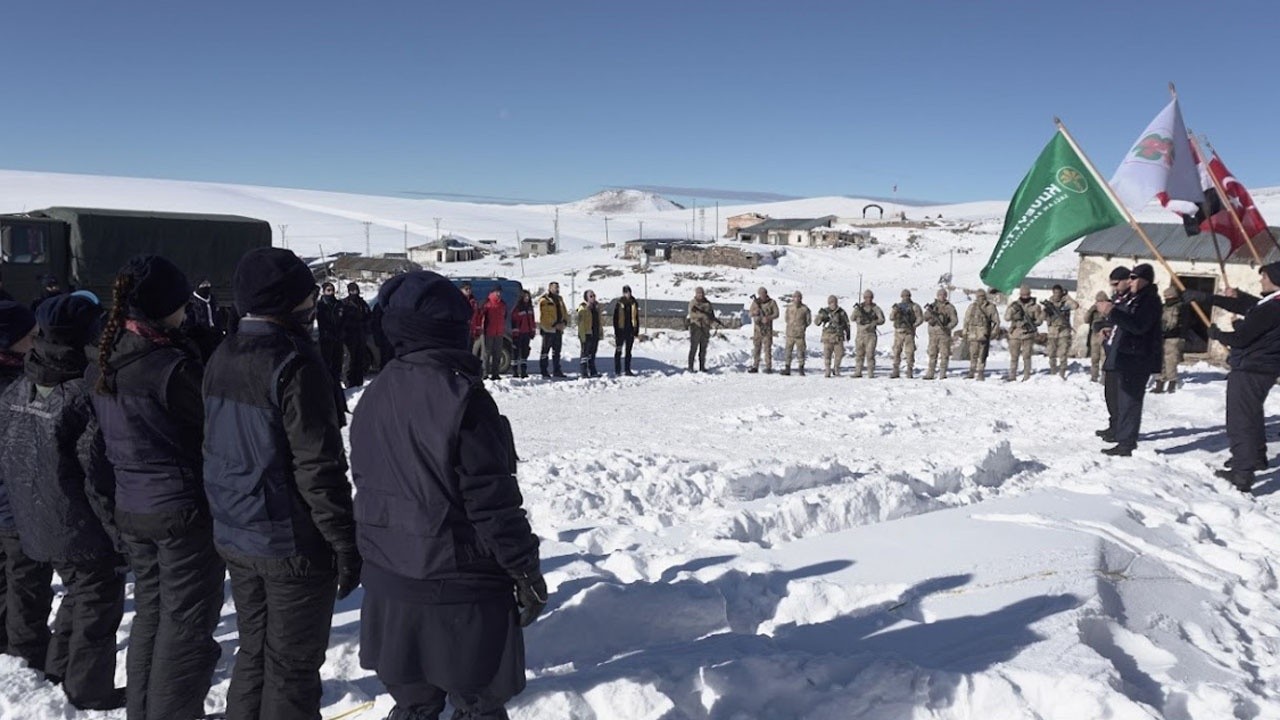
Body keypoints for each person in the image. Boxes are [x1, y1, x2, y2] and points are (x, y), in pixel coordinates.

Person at [350, 271, 543, 720]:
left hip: (388, 582)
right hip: (456, 586)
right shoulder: (462, 397)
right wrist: (525, 568)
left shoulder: (374, 393)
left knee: (414, 705)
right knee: (477, 704)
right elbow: (491, 501)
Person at [203, 248, 360, 720]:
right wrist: (343, 541)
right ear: (294, 302)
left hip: (237, 531)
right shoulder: (293, 364)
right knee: (291, 669)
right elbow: (319, 467)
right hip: (287, 541)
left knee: (255, 652)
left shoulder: (223, 352)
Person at [89, 255, 224, 720]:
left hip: (132, 505)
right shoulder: (167, 367)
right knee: (185, 625)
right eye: (182, 304)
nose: (188, 312)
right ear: (165, 307)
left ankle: (144, 710)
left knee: (152, 614)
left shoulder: (108, 357)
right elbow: (212, 427)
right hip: (179, 508)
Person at [0, 294, 124, 710]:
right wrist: (115, 530)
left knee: (79, 593)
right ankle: (89, 689)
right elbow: (95, 475)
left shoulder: (23, 384)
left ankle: (59, 670)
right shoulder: (79, 390)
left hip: (37, 515)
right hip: (73, 520)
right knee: (98, 600)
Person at [1183, 265, 1280, 492]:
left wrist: (1218, 334)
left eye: (1264, 277)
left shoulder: (1272, 308)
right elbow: (1248, 305)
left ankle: (1242, 472)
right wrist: (1208, 298)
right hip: (1262, 368)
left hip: (1251, 368)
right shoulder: (1272, 304)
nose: (1261, 281)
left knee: (1240, 420)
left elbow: (1241, 338)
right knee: (1252, 413)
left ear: (1275, 279)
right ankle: (1255, 457)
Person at [0, 302, 53, 676]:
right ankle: (27, 654)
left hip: (9, 501)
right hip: (16, 503)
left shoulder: (19, 376)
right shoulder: (15, 386)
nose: (37, 341)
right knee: (27, 583)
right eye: (31, 336)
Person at [1095, 263, 1161, 457]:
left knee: (1129, 402)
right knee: (1120, 399)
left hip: (1138, 358)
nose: (1130, 282)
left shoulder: (1149, 301)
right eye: (1129, 278)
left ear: (1144, 280)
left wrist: (1112, 312)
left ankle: (1126, 443)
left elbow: (1138, 326)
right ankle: (1121, 434)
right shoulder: (1135, 299)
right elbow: (1125, 323)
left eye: (1133, 278)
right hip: (1125, 356)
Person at [1096, 267, 1131, 443]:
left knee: (1121, 398)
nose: (1115, 288)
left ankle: (1121, 431)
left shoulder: (1133, 301)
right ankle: (1113, 426)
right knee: (1111, 396)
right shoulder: (1117, 299)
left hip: (1125, 357)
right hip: (1112, 354)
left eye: (1117, 284)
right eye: (1112, 285)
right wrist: (1106, 330)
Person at [1004, 285, 1044, 382]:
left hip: (1028, 334)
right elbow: (1006, 317)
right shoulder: (1014, 305)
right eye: (1023, 295)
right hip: (1015, 333)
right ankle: (1012, 375)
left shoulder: (1035, 306)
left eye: (1027, 295)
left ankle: (1027, 375)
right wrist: (1013, 312)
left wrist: (1032, 323)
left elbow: (1039, 320)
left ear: (1030, 294)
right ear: (1020, 294)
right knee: (1014, 356)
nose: (1025, 297)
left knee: (1027, 356)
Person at [1041, 285, 1080, 379]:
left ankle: (1062, 372)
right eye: (1055, 293)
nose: (1056, 295)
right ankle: (1053, 370)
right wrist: (1046, 311)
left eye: (1058, 293)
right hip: (1052, 332)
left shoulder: (1066, 302)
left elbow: (1075, 306)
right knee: (1051, 353)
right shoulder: (1049, 303)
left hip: (1064, 331)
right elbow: (1041, 318)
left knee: (1063, 353)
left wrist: (1067, 297)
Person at [1153, 286, 1185, 394]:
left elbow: (1185, 323)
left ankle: (1172, 383)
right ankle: (1159, 383)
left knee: (1170, 360)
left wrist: (1181, 336)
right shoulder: (1163, 307)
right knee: (1159, 360)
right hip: (1160, 337)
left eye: (1168, 296)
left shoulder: (1181, 307)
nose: (1166, 298)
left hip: (1173, 338)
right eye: (1165, 296)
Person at [963, 289, 1000, 380]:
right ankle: (972, 370)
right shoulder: (972, 307)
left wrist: (994, 332)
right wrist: (965, 331)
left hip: (984, 334)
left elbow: (996, 321)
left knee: (982, 354)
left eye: (982, 296)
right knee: (973, 353)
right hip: (973, 334)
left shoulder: (990, 307)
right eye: (979, 297)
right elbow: (966, 320)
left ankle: (980, 372)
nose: (980, 298)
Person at [923, 288, 958, 380]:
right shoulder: (932, 306)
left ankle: (943, 373)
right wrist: (931, 316)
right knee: (932, 353)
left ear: (946, 296)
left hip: (944, 334)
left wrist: (948, 327)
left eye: (943, 295)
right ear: (937, 296)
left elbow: (954, 321)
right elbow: (925, 317)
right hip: (933, 334)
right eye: (940, 295)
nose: (942, 297)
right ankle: (930, 373)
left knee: (944, 354)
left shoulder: (950, 307)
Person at [342, 282, 372, 388]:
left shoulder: (362, 303)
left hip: (361, 336)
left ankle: (358, 382)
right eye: (352, 291)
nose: (354, 293)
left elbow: (369, 316)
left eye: (355, 291)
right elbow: (341, 320)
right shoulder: (345, 303)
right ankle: (348, 383)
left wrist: (366, 327)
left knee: (360, 359)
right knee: (349, 360)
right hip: (349, 337)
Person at [537, 282, 569, 378]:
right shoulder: (545, 300)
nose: (557, 289)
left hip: (558, 330)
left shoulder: (560, 299)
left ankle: (557, 370)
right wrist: (554, 325)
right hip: (548, 329)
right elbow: (544, 316)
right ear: (550, 288)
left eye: (558, 287)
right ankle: (544, 370)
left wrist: (564, 322)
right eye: (555, 287)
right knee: (545, 351)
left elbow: (564, 312)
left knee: (557, 352)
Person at [889, 290, 923, 379]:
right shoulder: (897, 306)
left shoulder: (915, 306)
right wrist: (895, 311)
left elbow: (920, 318)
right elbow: (891, 318)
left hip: (909, 333)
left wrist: (914, 325)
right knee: (896, 351)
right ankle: (895, 370)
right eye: (904, 296)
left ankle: (909, 370)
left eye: (907, 296)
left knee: (910, 352)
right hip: (898, 332)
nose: (905, 297)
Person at [316, 281, 346, 382]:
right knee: (327, 363)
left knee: (337, 363)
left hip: (338, 338)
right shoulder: (321, 306)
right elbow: (322, 322)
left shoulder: (339, 304)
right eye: (328, 290)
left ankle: (336, 383)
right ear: (324, 292)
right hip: (327, 339)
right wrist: (327, 334)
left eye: (332, 290)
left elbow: (343, 320)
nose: (331, 292)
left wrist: (341, 332)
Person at [815, 295, 850, 378]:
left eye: (834, 302)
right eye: (831, 302)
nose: (833, 304)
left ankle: (836, 368)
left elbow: (846, 324)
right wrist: (821, 316)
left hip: (838, 337)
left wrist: (848, 333)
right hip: (827, 337)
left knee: (840, 354)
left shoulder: (841, 312)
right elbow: (817, 323)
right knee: (827, 355)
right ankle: (827, 370)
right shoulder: (824, 312)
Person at [852, 290, 885, 378]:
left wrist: (874, 323)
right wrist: (857, 313)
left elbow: (882, 320)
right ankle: (858, 371)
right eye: (866, 297)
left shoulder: (876, 308)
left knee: (870, 354)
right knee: (859, 354)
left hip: (870, 335)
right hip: (860, 334)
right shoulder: (859, 308)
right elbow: (852, 318)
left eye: (870, 297)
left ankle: (871, 372)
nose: (868, 299)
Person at [747, 287, 779, 374]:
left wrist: (768, 318)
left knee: (767, 349)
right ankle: (755, 365)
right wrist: (754, 313)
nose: (761, 296)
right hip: (757, 330)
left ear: (766, 293)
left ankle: (768, 367)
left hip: (767, 330)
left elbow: (776, 314)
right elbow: (749, 313)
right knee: (756, 348)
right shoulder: (755, 302)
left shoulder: (772, 302)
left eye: (763, 294)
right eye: (760, 294)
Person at [1082, 291, 1111, 383]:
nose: (1100, 303)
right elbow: (1086, 320)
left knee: (1104, 357)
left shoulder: (1110, 309)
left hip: (1105, 335)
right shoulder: (1094, 310)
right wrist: (1091, 310)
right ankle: (1094, 375)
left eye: (1102, 301)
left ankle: (1104, 377)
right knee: (1094, 357)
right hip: (1095, 335)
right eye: (1098, 301)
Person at [781, 291, 811, 376]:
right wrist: (791, 325)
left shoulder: (805, 309)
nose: (796, 299)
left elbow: (808, 321)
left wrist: (802, 327)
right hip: (790, 334)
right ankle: (787, 368)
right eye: (795, 297)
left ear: (801, 298)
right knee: (788, 351)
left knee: (801, 352)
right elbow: (786, 318)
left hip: (800, 335)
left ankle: (801, 369)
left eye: (798, 297)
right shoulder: (789, 308)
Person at [480, 288, 508, 382]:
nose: (499, 294)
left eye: (500, 292)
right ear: (492, 292)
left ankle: (495, 374)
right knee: (486, 353)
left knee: (497, 354)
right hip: (488, 332)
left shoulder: (503, 304)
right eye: (497, 292)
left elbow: (505, 316)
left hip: (499, 332)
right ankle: (485, 373)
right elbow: (481, 316)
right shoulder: (487, 303)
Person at [612, 285, 640, 377]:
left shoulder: (634, 303)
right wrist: (616, 331)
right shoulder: (619, 303)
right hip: (621, 330)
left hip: (630, 330)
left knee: (628, 351)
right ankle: (617, 370)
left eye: (629, 292)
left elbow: (636, 317)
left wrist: (636, 330)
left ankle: (627, 369)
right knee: (618, 350)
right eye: (626, 292)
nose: (627, 294)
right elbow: (615, 318)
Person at [687, 287, 715, 373]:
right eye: (699, 293)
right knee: (693, 348)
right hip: (696, 328)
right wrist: (702, 316)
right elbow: (691, 314)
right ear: (696, 294)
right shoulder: (693, 303)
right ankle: (690, 367)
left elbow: (711, 315)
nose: (700, 295)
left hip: (705, 329)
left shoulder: (707, 304)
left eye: (702, 293)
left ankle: (702, 367)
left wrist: (711, 320)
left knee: (703, 349)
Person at [577, 290, 603, 379]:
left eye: (594, 295)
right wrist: (582, 335)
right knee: (585, 354)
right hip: (586, 333)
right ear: (586, 298)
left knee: (592, 354)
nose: (593, 297)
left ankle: (593, 371)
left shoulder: (596, 307)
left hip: (595, 332)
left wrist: (600, 332)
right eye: (591, 296)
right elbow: (580, 323)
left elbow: (599, 321)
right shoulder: (583, 308)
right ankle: (583, 372)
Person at [511, 290, 536, 379]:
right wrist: (515, 333)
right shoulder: (517, 308)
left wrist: (532, 331)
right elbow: (514, 321)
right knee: (516, 353)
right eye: (525, 296)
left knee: (524, 353)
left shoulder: (530, 308)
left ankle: (523, 371)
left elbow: (532, 321)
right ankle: (515, 371)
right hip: (519, 334)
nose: (527, 298)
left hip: (527, 333)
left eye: (528, 297)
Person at [461, 283, 483, 350]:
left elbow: (478, 317)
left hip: (471, 332)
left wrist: (477, 330)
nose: (468, 291)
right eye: (466, 289)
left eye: (469, 289)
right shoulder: (458, 300)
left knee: (469, 351)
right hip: (461, 331)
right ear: (461, 290)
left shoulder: (474, 302)